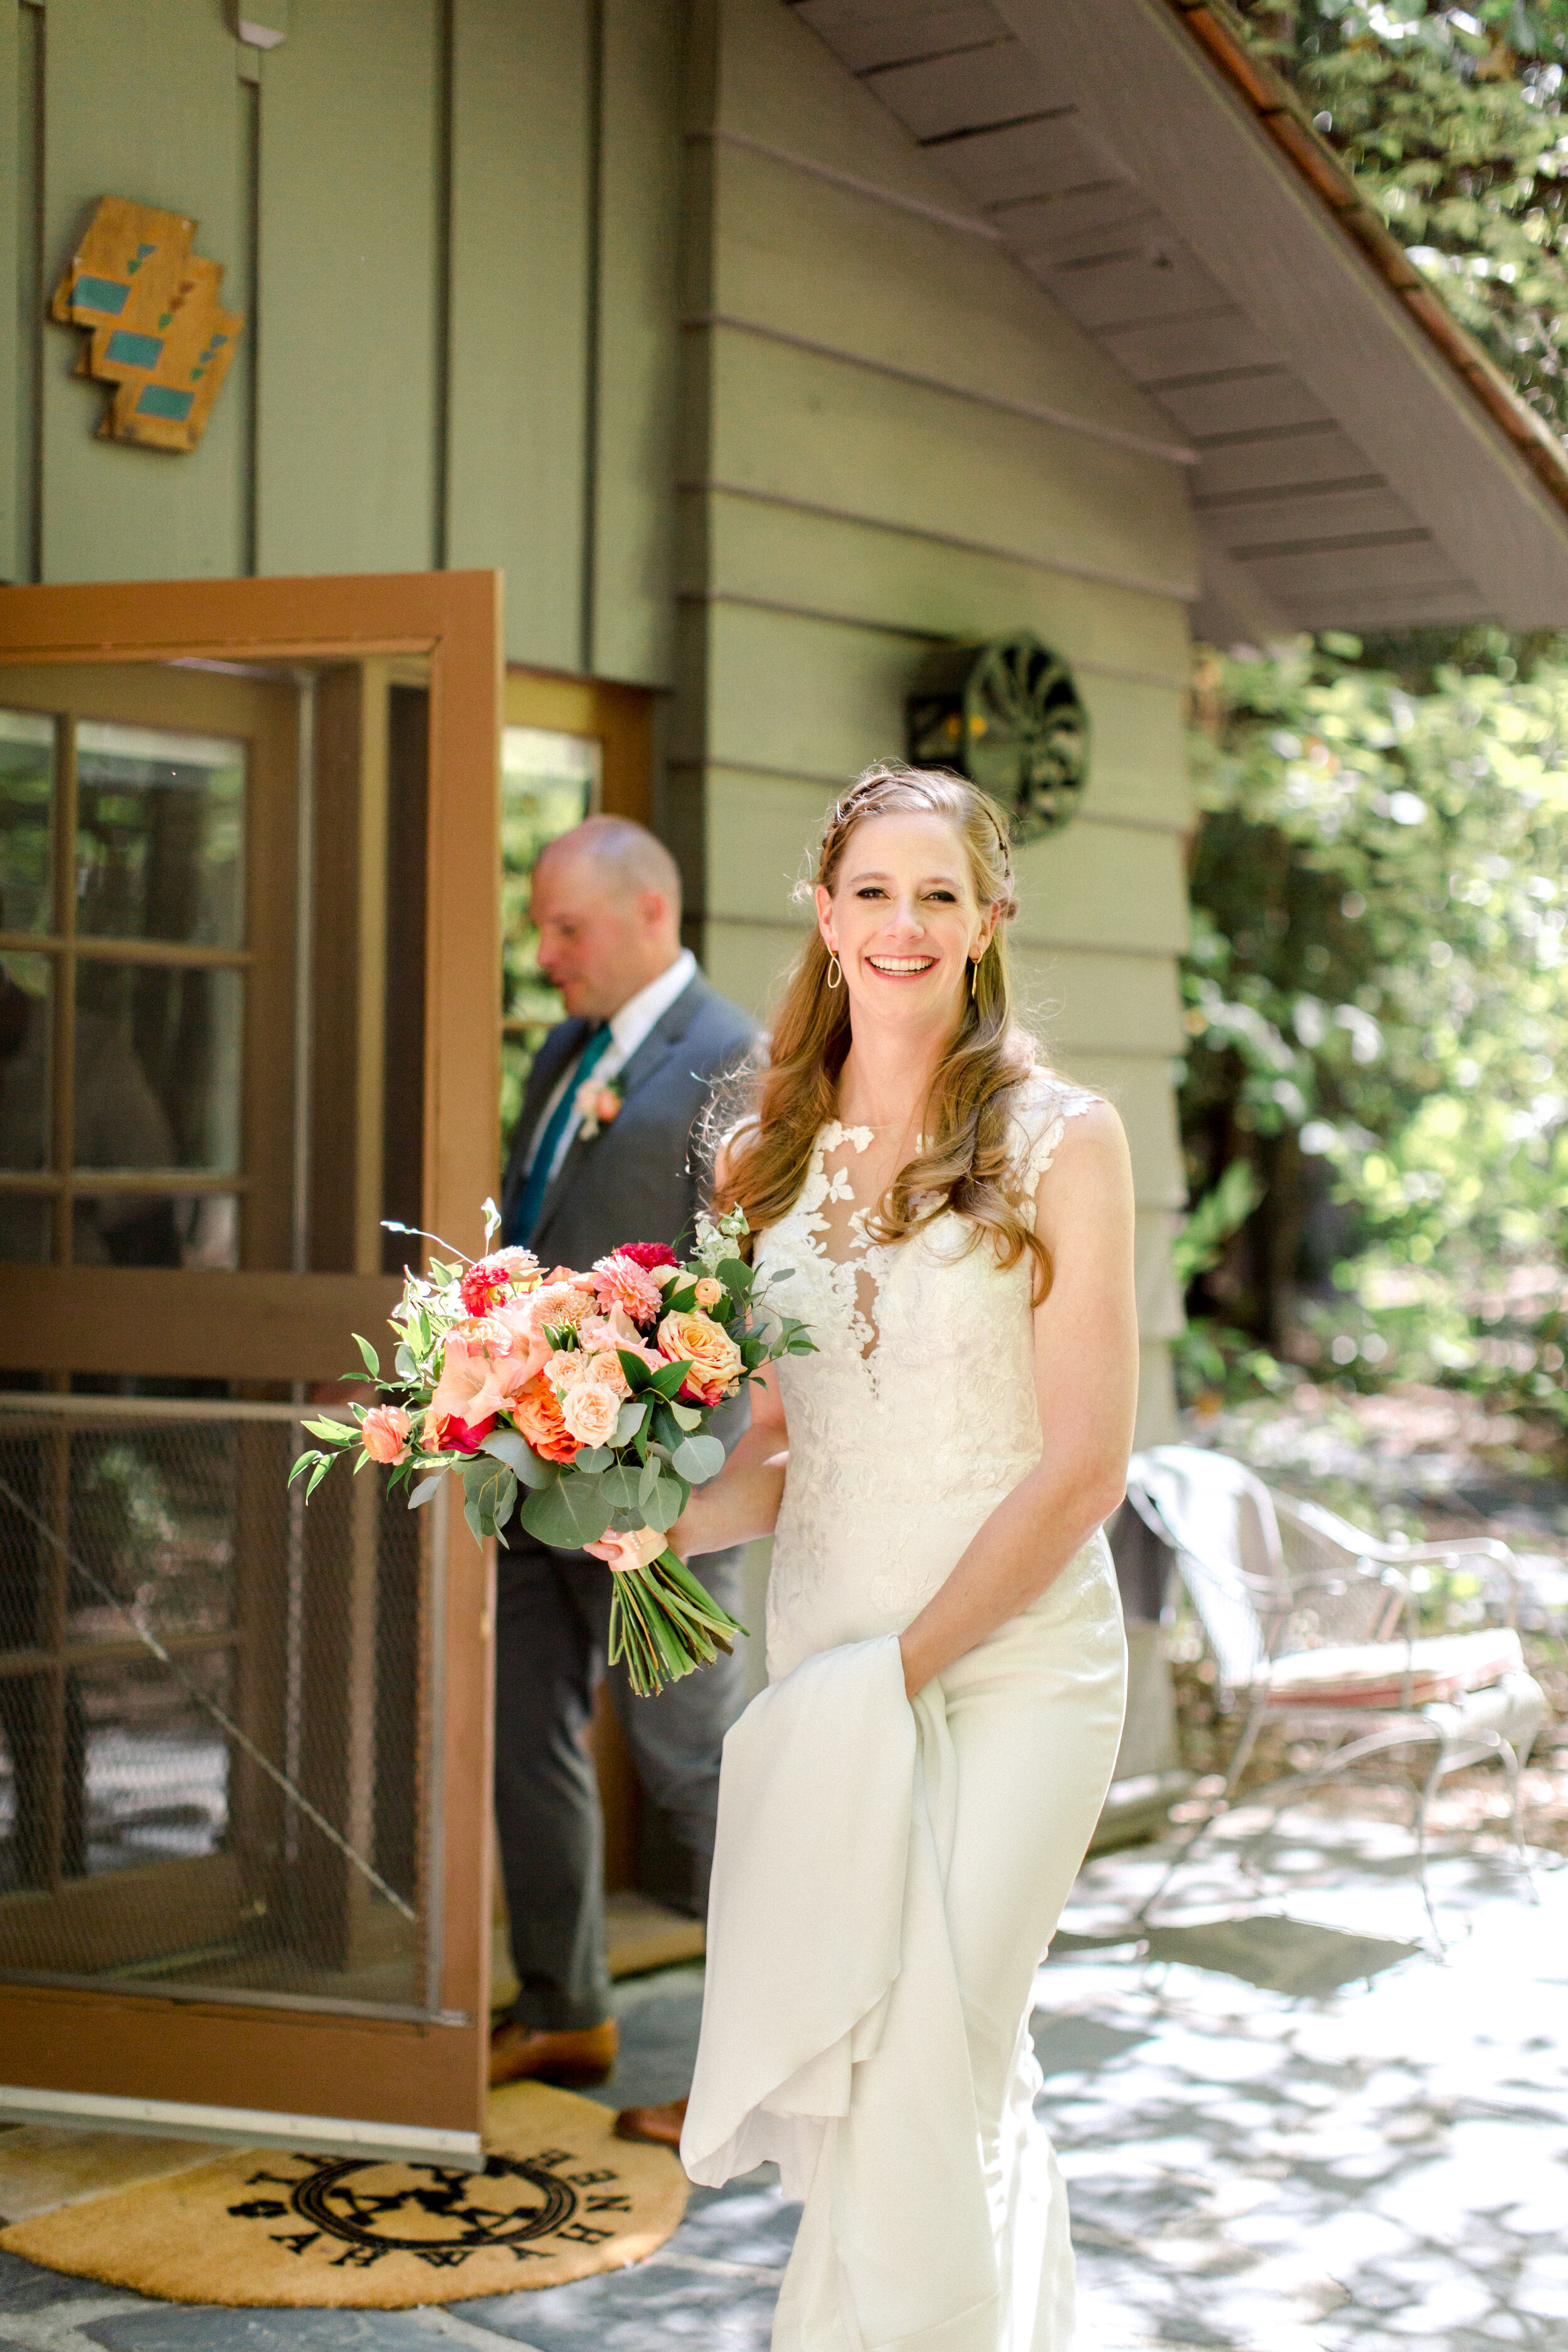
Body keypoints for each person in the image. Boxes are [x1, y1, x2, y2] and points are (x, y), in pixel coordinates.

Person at [590, 763, 1136, 2343]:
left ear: (987, 923)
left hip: (1013, 1664)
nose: (903, 925)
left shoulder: (1061, 1141)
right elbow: (777, 1443)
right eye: (874, 893)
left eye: (938, 895)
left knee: (924, 2067)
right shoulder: (759, 1147)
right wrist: (666, 1525)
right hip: (827, 1648)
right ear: (824, 917)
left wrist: (905, 1669)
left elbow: (1083, 1464)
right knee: (917, 2080)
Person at [488, 816, 754, 2116]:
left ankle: (752, 2073)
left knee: (693, 1762)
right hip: (526, 1469)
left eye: (564, 927)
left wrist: (696, 1482)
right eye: (540, 928)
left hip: (667, 1492)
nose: (544, 954)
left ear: (650, 913)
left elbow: (749, 1293)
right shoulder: (558, 1051)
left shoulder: (733, 1059)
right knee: (519, 1737)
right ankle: (561, 2012)